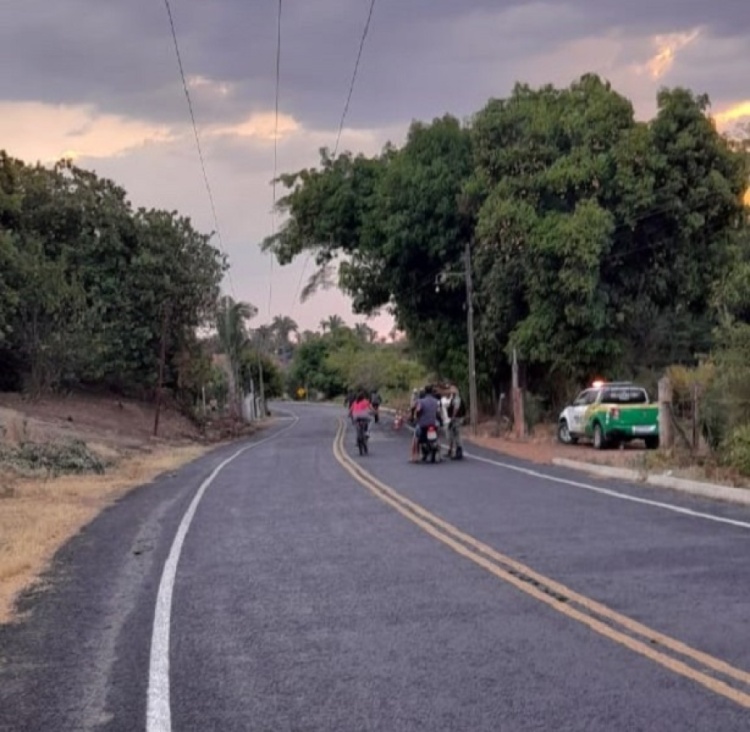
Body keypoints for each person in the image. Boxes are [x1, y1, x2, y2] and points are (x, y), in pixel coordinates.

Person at [411, 384, 442, 462]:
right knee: (437, 436)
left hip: (423, 424)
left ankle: (415, 456)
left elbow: (418, 411)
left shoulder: (421, 401)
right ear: (432, 392)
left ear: (425, 391)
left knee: (416, 438)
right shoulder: (436, 401)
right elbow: (438, 412)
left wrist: (417, 417)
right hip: (433, 424)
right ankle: (439, 454)